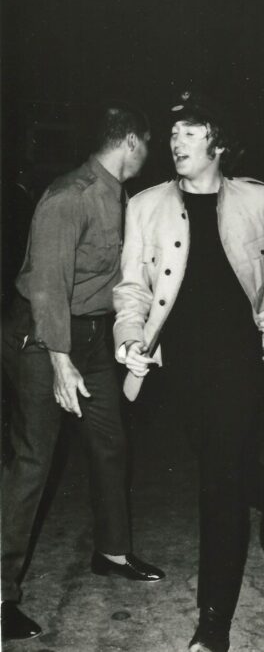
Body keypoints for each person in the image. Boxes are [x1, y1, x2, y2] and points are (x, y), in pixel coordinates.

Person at [113, 91, 264, 652]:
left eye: (190, 134)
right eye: (173, 135)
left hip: (240, 360)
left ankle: (213, 625)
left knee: (217, 485)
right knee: (220, 461)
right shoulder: (145, 205)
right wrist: (128, 336)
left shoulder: (256, 200)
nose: (176, 143)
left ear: (217, 142)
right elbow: (132, 287)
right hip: (179, 364)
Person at [1, 103, 163, 642]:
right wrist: (59, 360)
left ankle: (112, 552)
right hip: (42, 338)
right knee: (33, 461)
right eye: (149, 142)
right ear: (133, 142)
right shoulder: (67, 196)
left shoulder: (123, 197)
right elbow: (47, 284)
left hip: (93, 335)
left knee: (110, 441)